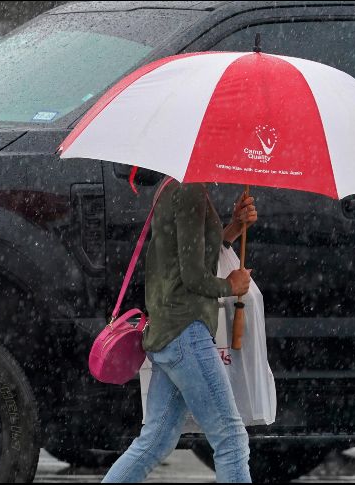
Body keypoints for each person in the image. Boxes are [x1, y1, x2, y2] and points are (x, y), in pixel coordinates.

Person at [103, 179, 258, 483]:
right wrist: (230, 286)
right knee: (231, 439)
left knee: (154, 443)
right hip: (186, 332)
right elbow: (192, 276)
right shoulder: (188, 190)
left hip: (168, 332)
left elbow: (186, 258)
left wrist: (234, 228)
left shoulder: (173, 186)